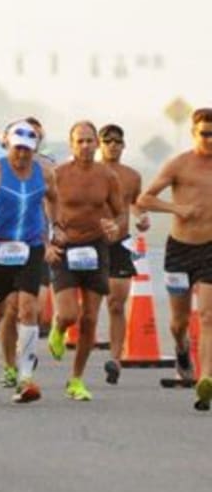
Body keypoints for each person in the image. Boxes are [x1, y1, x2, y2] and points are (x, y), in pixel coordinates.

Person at [0, 121, 60, 404]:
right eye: (18, 149)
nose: (22, 155)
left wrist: (56, 226)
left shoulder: (45, 173)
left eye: (28, 150)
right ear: (8, 146)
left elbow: (54, 200)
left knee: (28, 309)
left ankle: (25, 377)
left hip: (30, 248)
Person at [137, 107, 212, 411]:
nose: (210, 139)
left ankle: (206, 377)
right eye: (205, 134)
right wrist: (176, 210)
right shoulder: (180, 164)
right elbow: (144, 198)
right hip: (180, 249)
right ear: (194, 133)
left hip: (210, 248)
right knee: (179, 322)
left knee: (208, 316)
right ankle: (181, 349)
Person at [44, 122, 125, 401]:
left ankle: (76, 379)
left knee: (90, 318)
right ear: (71, 144)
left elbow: (120, 212)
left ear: (97, 144)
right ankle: (59, 327)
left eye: (90, 141)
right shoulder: (58, 175)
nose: (86, 146)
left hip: (95, 247)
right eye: (80, 141)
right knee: (69, 314)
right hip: (65, 247)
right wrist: (50, 238)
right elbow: (42, 208)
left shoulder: (107, 175)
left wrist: (115, 227)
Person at [97, 124, 149, 383]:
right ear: (99, 145)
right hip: (90, 242)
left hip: (119, 243)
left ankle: (115, 359)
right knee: (86, 306)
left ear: (124, 145)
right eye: (108, 141)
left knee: (116, 303)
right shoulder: (89, 173)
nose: (113, 145)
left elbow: (137, 202)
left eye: (118, 141)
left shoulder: (132, 175)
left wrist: (142, 218)